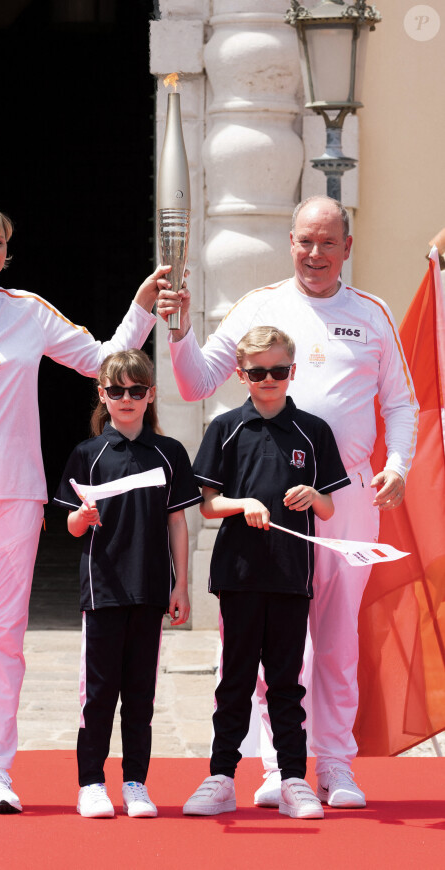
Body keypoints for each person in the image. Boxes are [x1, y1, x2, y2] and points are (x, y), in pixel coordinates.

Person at [0, 201, 171, 815]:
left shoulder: (29, 313)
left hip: (19, 493)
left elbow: (101, 360)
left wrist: (142, 308)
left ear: (6, 252)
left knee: (3, 636)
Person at [157, 195, 418, 809]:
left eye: (328, 242)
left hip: (345, 494)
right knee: (271, 635)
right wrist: (178, 329)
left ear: (347, 248)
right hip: (268, 507)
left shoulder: (372, 313)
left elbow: (401, 405)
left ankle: (336, 764)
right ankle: (278, 764)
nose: (315, 253)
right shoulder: (260, 306)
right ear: (290, 243)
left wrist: (398, 464)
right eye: (305, 240)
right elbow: (197, 381)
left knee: (335, 636)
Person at [182, 326, 349, 818]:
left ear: (292, 372)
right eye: (258, 372)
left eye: (278, 371)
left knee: (285, 680)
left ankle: (294, 778)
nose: (269, 379)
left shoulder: (313, 431)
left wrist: (314, 497)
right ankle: (220, 776)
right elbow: (208, 506)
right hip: (238, 573)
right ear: (241, 375)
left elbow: (330, 509)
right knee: (234, 678)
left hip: (291, 575)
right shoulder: (227, 426)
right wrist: (245, 502)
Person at [54, 349, 202, 819]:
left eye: (136, 391)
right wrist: (80, 517)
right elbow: (71, 527)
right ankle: (91, 783)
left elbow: (177, 523)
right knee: (97, 694)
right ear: (102, 394)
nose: (126, 399)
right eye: (116, 390)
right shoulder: (87, 454)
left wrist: (181, 586)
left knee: (141, 695)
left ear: (150, 395)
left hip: (151, 589)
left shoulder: (169, 452)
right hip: (102, 592)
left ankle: (136, 782)